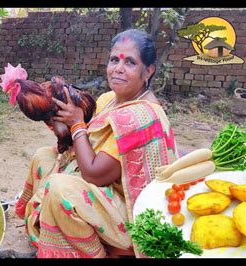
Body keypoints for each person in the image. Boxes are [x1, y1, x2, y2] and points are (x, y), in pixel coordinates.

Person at [14, 29, 180, 258]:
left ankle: (95, 252)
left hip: (126, 209)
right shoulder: (107, 99)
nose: (118, 68)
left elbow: (94, 174)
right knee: (44, 156)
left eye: (130, 62)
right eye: (114, 60)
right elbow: (84, 143)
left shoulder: (140, 118)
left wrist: (76, 123)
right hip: (104, 189)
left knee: (58, 188)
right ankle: (53, 232)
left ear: (148, 71)